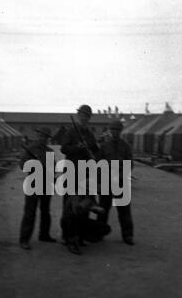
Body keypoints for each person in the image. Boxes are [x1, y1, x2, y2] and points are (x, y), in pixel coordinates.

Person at [60, 105, 99, 245]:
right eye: (82, 115)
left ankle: (80, 236)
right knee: (70, 205)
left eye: (87, 115)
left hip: (85, 173)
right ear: (78, 116)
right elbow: (64, 148)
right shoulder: (70, 132)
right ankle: (67, 237)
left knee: (85, 205)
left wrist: (92, 153)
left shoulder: (89, 134)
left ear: (89, 118)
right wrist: (78, 147)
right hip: (71, 171)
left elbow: (95, 150)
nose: (84, 117)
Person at [98, 119, 135, 245]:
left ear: (121, 131)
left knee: (124, 211)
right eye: (113, 129)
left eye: (117, 130)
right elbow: (99, 163)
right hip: (106, 181)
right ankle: (99, 233)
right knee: (103, 209)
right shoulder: (104, 146)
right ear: (110, 131)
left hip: (120, 181)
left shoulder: (126, 146)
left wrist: (120, 176)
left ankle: (127, 236)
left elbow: (130, 163)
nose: (115, 132)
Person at [19, 126, 56, 250]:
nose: (42, 138)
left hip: (46, 185)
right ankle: (24, 239)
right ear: (37, 136)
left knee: (45, 212)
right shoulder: (30, 149)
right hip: (33, 184)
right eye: (41, 136)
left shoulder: (50, 151)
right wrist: (34, 164)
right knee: (30, 213)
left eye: (45, 137)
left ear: (48, 139)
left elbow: (53, 169)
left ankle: (44, 235)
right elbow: (22, 165)